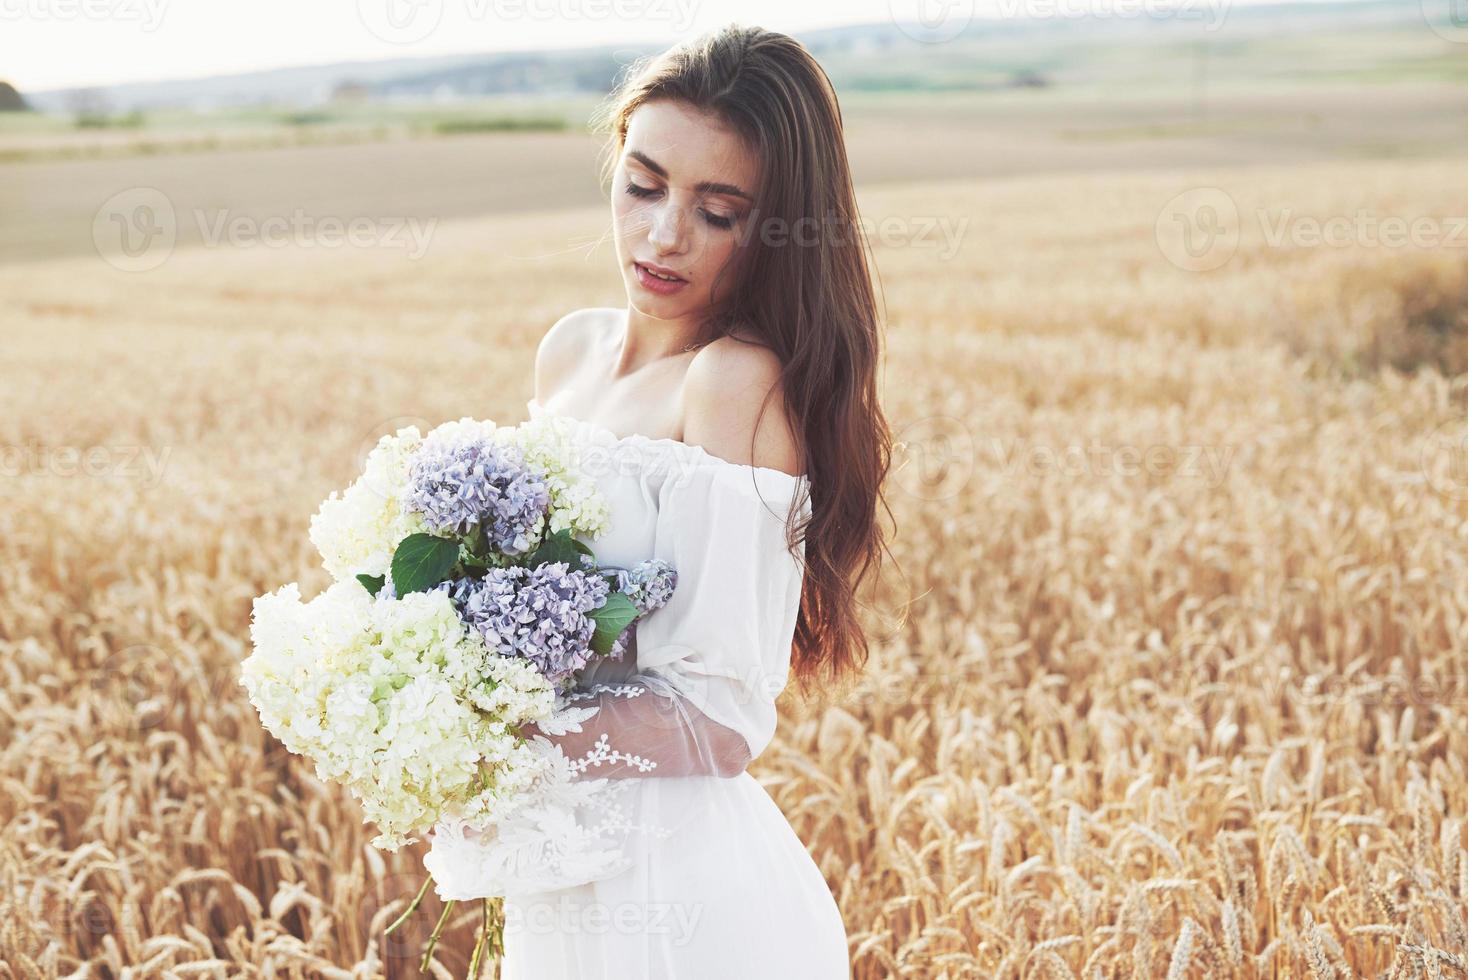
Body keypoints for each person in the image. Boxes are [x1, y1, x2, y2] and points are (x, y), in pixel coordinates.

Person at [499, 24, 894, 978]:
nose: (663, 234)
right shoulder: (568, 349)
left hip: (679, 904)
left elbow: (719, 719)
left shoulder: (732, 382)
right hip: (560, 877)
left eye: (719, 211)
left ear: (778, 230)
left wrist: (488, 731)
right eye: (642, 186)